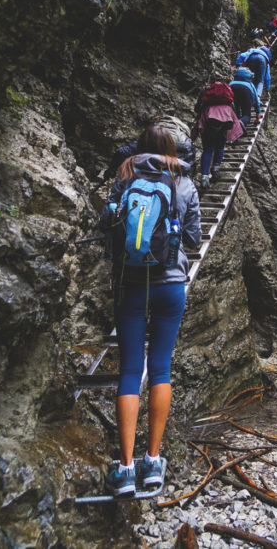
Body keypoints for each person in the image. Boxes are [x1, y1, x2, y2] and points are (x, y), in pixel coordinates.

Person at [104, 125, 202, 497]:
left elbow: (109, 222)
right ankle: (152, 464)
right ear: (171, 150)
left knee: (131, 369)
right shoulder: (184, 182)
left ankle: (125, 468)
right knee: (161, 367)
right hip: (171, 284)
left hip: (129, 284)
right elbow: (193, 238)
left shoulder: (125, 173)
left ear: (140, 147)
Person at [103, 115, 196, 180]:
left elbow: (122, 152)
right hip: (183, 148)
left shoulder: (154, 134)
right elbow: (189, 167)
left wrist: (111, 170)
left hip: (153, 164)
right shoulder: (185, 138)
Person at [191, 81, 243, 189]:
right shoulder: (227, 92)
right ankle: (216, 168)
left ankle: (205, 177)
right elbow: (233, 106)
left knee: (208, 149)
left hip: (209, 119)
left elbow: (197, 108)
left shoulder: (206, 90)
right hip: (225, 119)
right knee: (220, 147)